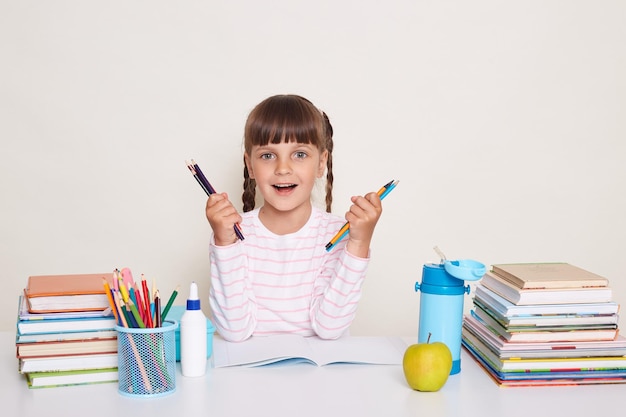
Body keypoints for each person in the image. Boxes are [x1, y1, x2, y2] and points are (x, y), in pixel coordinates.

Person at [205, 94, 383, 342]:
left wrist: (359, 244)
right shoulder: (235, 232)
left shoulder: (339, 233)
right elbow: (234, 331)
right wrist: (224, 244)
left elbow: (329, 328)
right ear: (250, 165)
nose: (283, 168)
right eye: (268, 155)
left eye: (299, 154)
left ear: (321, 163)